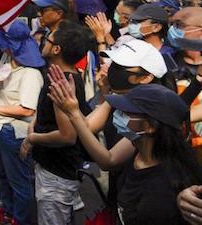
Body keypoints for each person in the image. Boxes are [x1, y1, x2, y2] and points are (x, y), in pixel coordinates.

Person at [49, 75, 202, 225]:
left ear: (150, 127)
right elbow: (107, 160)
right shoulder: (139, 147)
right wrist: (73, 113)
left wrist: (74, 114)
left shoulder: (160, 194)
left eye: (126, 111)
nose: (117, 114)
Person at [26, 22, 94, 224]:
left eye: (48, 39)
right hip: (56, 168)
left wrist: (32, 138)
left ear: (57, 49)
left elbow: (67, 136)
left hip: (56, 172)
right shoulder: (67, 76)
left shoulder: (61, 83)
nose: (42, 42)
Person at [0, 20, 44, 225]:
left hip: (13, 130)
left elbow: (27, 109)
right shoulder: (8, 61)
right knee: (3, 176)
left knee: (19, 182)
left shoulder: (30, 74)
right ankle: (8, 213)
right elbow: (2, 86)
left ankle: (21, 220)